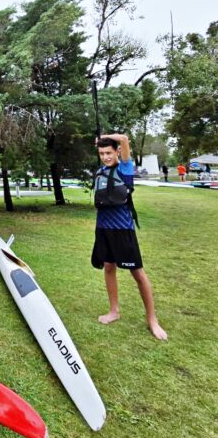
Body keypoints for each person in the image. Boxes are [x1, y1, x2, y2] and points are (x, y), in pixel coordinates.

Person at [91, 133, 167, 341]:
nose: (105, 157)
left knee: (138, 274)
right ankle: (114, 311)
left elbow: (124, 139)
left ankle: (152, 319)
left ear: (117, 152)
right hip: (103, 227)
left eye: (108, 153)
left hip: (122, 229)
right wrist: (99, 142)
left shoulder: (124, 168)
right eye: (101, 153)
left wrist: (105, 136)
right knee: (108, 267)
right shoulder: (100, 171)